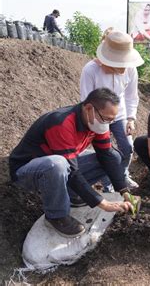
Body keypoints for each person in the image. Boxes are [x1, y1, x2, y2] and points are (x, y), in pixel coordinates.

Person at [9, 88, 134, 237]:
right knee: (57, 164)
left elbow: (106, 156)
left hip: (59, 168)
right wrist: (102, 203)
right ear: (89, 109)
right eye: (106, 119)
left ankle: (72, 194)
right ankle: (56, 216)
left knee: (113, 157)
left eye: (111, 120)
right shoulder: (61, 123)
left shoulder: (96, 123)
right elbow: (72, 171)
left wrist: (123, 190)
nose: (108, 124)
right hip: (28, 171)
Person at [80, 28, 144, 189]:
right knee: (107, 153)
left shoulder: (130, 69)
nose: (122, 68)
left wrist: (131, 118)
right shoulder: (90, 70)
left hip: (120, 115)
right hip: (99, 118)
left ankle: (122, 176)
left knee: (128, 148)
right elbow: (86, 101)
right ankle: (108, 185)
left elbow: (130, 96)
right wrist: (95, 123)